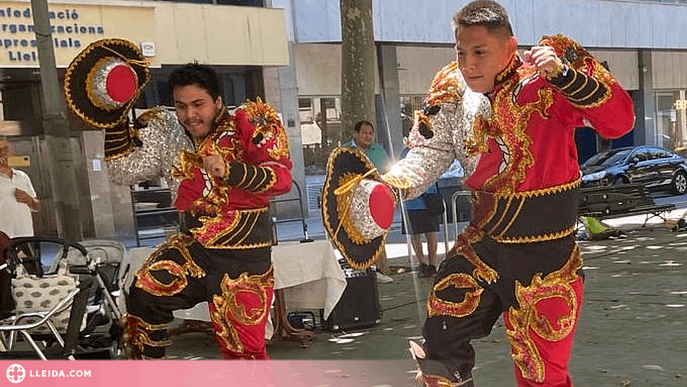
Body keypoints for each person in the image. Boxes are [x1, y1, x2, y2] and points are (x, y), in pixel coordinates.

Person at [324, 1, 635, 386]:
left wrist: (564, 76)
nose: (468, 63)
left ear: (510, 47)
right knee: (440, 345)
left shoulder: (546, 79)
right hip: (483, 244)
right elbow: (430, 153)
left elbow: (620, 120)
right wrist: (390, 186)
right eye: (461, 52)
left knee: (540, 373)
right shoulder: (452, 88)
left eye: (479, 52)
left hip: (546, 255)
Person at [63, 39, 292, 360]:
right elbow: (123, 171)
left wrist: (232, 170)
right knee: (144, 296)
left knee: (244, 353)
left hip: (243, 258)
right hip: (194, 248)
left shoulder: (249, 123)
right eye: (181, 106)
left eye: (199, 104)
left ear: (218, 100)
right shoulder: (168, 130)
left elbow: (279, 179)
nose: (190, 114)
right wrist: (113, 116)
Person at [343, 120, 394, 283]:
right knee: (356, 238)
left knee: (377, 236)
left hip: (377, 202)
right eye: (364, 132)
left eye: (370, 133)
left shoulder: (378, 151)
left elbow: (388, 173)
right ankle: (360, 271)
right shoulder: (345, 151)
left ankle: (380, 270)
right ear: (355, 134)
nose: (367, 136)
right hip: (352, 204)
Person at [400, 147, 440, 278]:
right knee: (415, 233)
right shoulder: (405, 153)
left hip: (429, 198)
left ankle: (432, 265)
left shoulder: (431, 150)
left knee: (431, 232)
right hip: (412, 201)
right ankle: (422, 264)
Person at [0, 139, 41, 238]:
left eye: (5, 149)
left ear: (12, 153)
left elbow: (37, 207)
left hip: (25, 235)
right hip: (2, 239)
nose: (2, 153)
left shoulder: (23, 176)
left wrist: (29, 200)